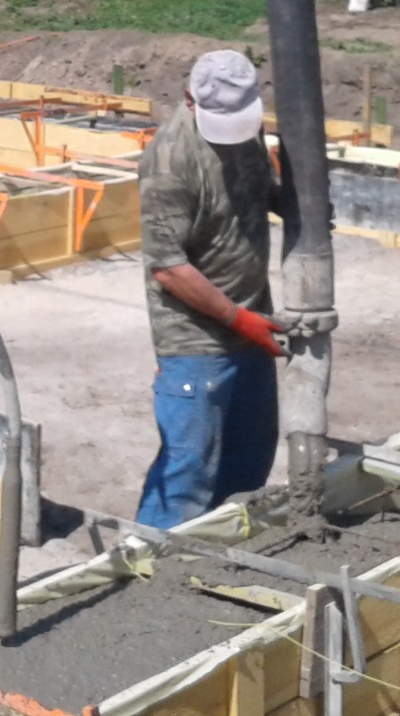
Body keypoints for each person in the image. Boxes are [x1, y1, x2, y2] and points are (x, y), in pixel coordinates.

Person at [133, 49, 285, 531]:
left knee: (250, 454)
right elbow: (168, 268)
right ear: (189, 99)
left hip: (252, 325)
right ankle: (151, 562)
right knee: (188, 469)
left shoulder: (245, 125)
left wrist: (296, 199)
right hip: (196, 340)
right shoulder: (170, 160)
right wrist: (237, 318)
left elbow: (256, 188)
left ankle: (221, 549)